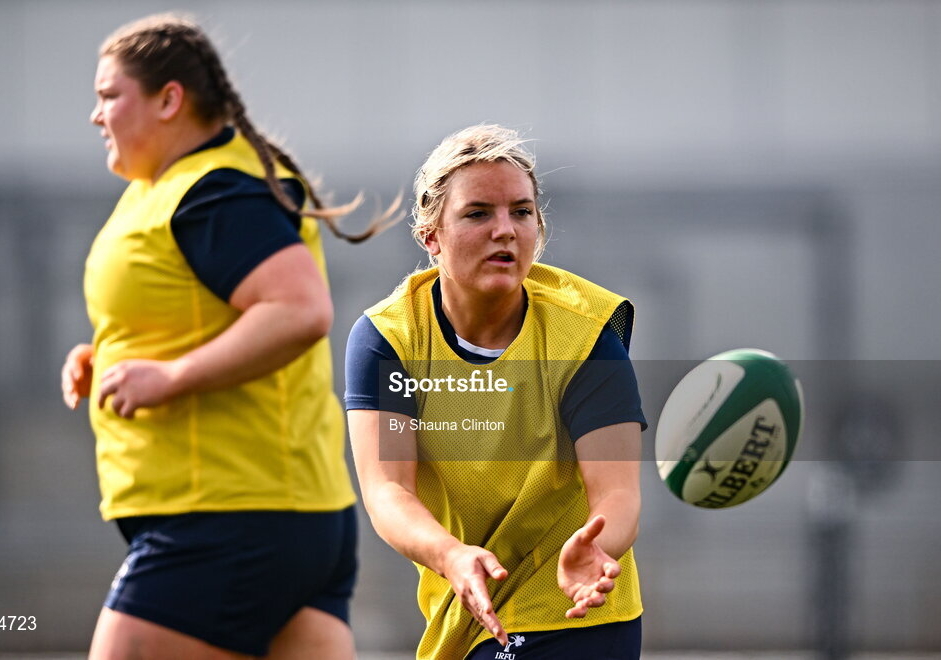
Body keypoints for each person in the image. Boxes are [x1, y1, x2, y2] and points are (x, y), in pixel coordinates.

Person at [61, 13, 393, 659]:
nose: (96, 116)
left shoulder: (213, 189)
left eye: (109, 96)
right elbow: (203, 311)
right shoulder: (165, 187)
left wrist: (170, 377)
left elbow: (299, 310)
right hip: (286, 517)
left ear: (168, 100)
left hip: (229, 519)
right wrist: (113, 355)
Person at [345, 124, 646, 659]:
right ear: (430, 236)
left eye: (521, 211)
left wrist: (597, 547)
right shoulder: (388, 340)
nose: (505, 230)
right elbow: (388, 491)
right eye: (478, 213)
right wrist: (450, 555)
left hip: (573, 607)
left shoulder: (586, 335)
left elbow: (618, 492)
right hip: (464, 605)